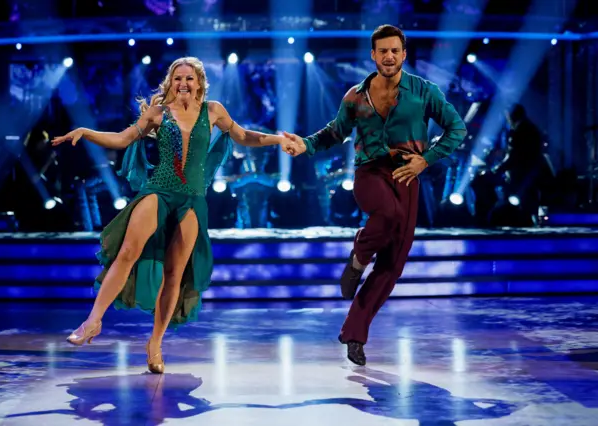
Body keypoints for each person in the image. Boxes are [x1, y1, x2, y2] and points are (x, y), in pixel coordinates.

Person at [52, 57, 291, 374]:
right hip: (159, 191)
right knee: (127, 251)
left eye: (189, 78)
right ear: (170, 82)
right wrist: (86, 131)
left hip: (191, 199)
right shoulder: (158, 113)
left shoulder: (214, 111)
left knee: (174, 273)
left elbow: (244, 135)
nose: (183, 83)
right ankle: (93, 321)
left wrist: (278, 139)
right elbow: (123, 139)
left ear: (199, 83)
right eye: (178, 78)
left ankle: (155, 344)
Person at [282, 25, 467, 366]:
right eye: (383, 51)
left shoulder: (425, 91)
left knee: (392, 267)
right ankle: (356, 261)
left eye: (395, 50)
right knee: (387, 217)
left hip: (407, 175)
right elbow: (335, 132)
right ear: (373, 55)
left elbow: (457, 129)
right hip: (370, 173)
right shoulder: (356, 95)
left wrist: (427, 159)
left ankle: (354, 335)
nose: (389, 56)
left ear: (404, 54)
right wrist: (305, 144)